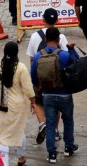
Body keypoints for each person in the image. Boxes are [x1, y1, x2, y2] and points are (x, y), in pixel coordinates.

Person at [30, 28, 80, 164]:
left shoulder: (38, 56)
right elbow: (77, 65)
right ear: (58, 40)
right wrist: (71, 50)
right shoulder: (64, 55)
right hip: (65, 94)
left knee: (51, 124)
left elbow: (33, 75)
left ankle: (52, 154)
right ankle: (69, 147)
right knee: (68, 120)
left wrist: (38, 87)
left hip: (47, 95)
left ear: (45, 40)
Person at [0, 42, 36, 166]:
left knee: (1, 137)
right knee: (19, 131)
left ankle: (4, 163)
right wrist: (33, 102)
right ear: (16, 52)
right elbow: (28, 88)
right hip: (17, 106)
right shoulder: (21, 67)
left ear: (4, 52)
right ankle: (21, 157)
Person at [25, 9, 69, 146]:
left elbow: (32, 59)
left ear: (43, 19)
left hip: (39, 76)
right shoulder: (61, 37)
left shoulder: (34, 36)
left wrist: (34, 79)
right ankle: (55, 130)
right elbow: (66, 58)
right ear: (56, 20)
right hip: (57, 78)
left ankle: (43, 124)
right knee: (55, 105)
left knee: (38, 103)